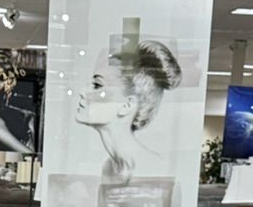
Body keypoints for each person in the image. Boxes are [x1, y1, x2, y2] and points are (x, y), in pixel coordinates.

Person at [74, 37, 182, 179]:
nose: (82, 92)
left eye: (97, 85)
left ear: (127, 105)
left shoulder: (153, 170)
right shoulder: (109, 169)